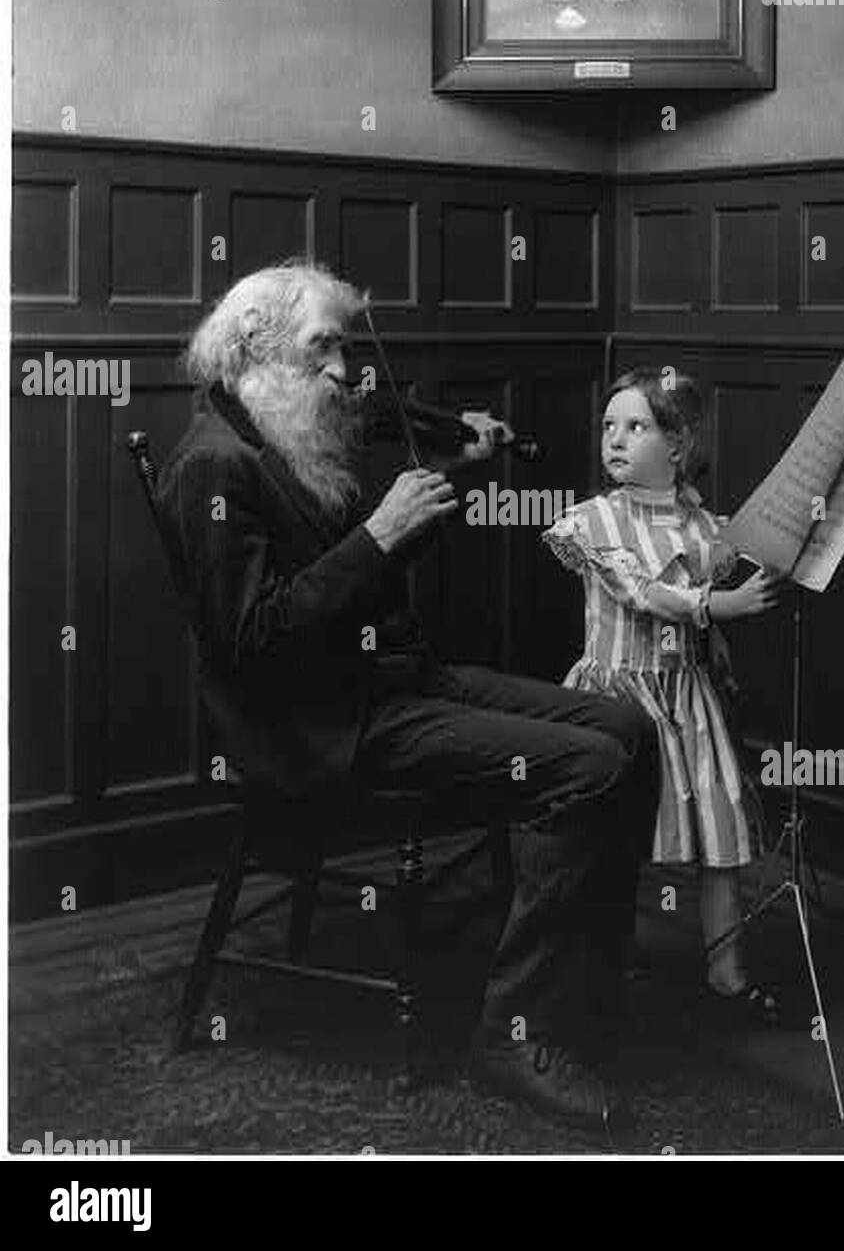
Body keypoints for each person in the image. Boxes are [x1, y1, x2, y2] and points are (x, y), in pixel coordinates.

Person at [156, 262, 657, 1134]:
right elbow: (252, 646)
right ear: (254, 351)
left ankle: (582, 987)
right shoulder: (213, 468)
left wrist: (442, 476)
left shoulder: (277, 430)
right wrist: (381, 535)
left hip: (383, 680)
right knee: (590, 766)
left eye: (347, 350)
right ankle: (513, 1029)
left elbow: (356, 548)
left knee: (626, 725)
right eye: (326, 349)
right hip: (317, 729)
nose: (347, 373)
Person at [543, 367, 783, 1023]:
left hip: (688, 700)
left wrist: (720, 650)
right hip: (619, 701)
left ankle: (726, 975)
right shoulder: (593, 522)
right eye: (608, 427)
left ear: (677, 445)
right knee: (609, 840)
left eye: (636, 426)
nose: (614, 440)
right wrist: (719, 605)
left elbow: (703, 607)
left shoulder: (703, 525)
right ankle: (589, 971)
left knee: (720, 835)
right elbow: (642, 594)